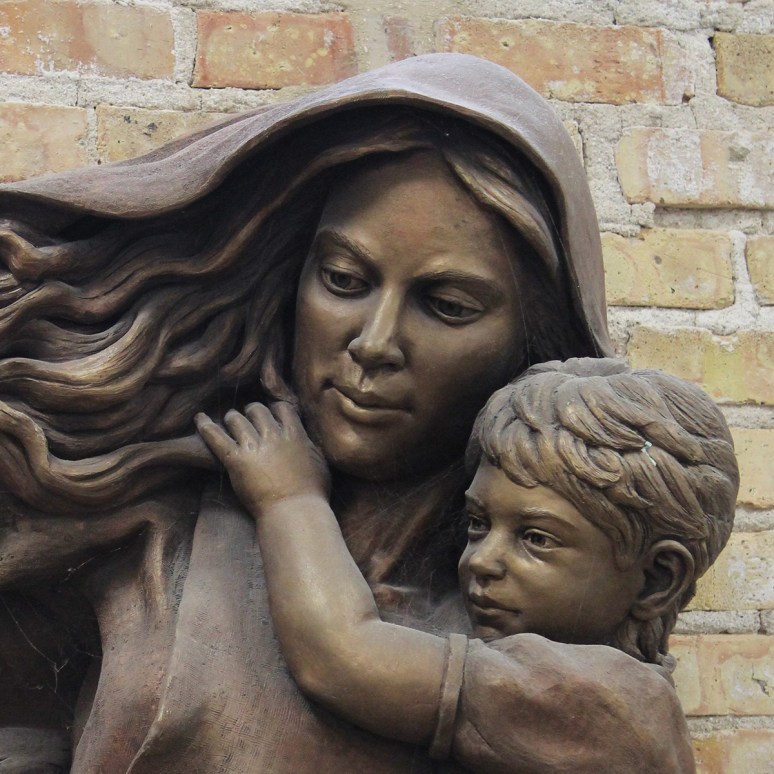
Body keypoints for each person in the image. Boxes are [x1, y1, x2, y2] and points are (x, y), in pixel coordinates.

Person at [0, 54, 691, 772]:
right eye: (343, 280)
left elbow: (344, 657)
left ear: (531, 337)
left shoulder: (552, 645)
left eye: (447, 306)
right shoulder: (153, 526)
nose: (373, 342)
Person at [197, 357, 738, 772]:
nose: (482, 561)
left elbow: (341, 657)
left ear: (658, 579)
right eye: (478, 525)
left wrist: (289, 499)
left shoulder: (607, 701)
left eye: (536, 539)